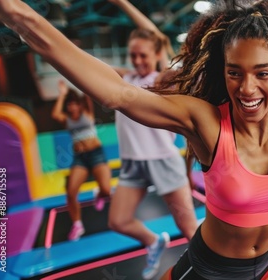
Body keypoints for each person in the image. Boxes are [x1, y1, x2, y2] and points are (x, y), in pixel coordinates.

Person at [0, 0, 268, 278]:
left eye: (262, 73)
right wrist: (20, 16)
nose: (247, 88)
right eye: (234, 72)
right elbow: (117, 93)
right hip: (209, 269)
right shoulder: (206, 123)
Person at [105, 1, 198, 279]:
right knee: (118, 220)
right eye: (133, 55)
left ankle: (212, 272)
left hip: (162, 161)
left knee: (189, 229)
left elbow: (158, 37)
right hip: (132, 163)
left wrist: (122, 3)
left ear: (157, 54)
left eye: (143, 55)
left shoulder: (162, 80)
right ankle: (154, 241)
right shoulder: (125, 79)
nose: (137, 61)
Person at [51, 80, 112, 241]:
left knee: (106, 190)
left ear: (79, 104)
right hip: (80, 158)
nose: (72, 107)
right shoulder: (66, 119)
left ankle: (99, 194)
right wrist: (62, 95)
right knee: (71, 192)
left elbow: (87, 92)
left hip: (96, 154)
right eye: (69, 104)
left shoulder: (87, 112)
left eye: (74, 104)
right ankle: (77, 224)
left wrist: (78, 81)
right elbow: (54, 114)